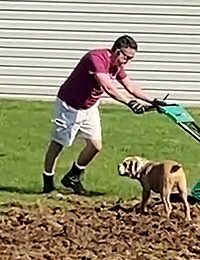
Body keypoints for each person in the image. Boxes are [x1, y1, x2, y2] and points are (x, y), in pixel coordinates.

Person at [42, 35, 156, 195]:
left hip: (89, 107)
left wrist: (154, 101)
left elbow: (130, 86)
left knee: (95, 146)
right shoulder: (96, 58)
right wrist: (130, 103)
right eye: (127, 57)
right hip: (69, 105)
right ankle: (48, 183)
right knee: (58, 144)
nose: (127, 62)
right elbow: (108, 87)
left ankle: (73, 177)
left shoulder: (116, 66)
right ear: (117, 51)